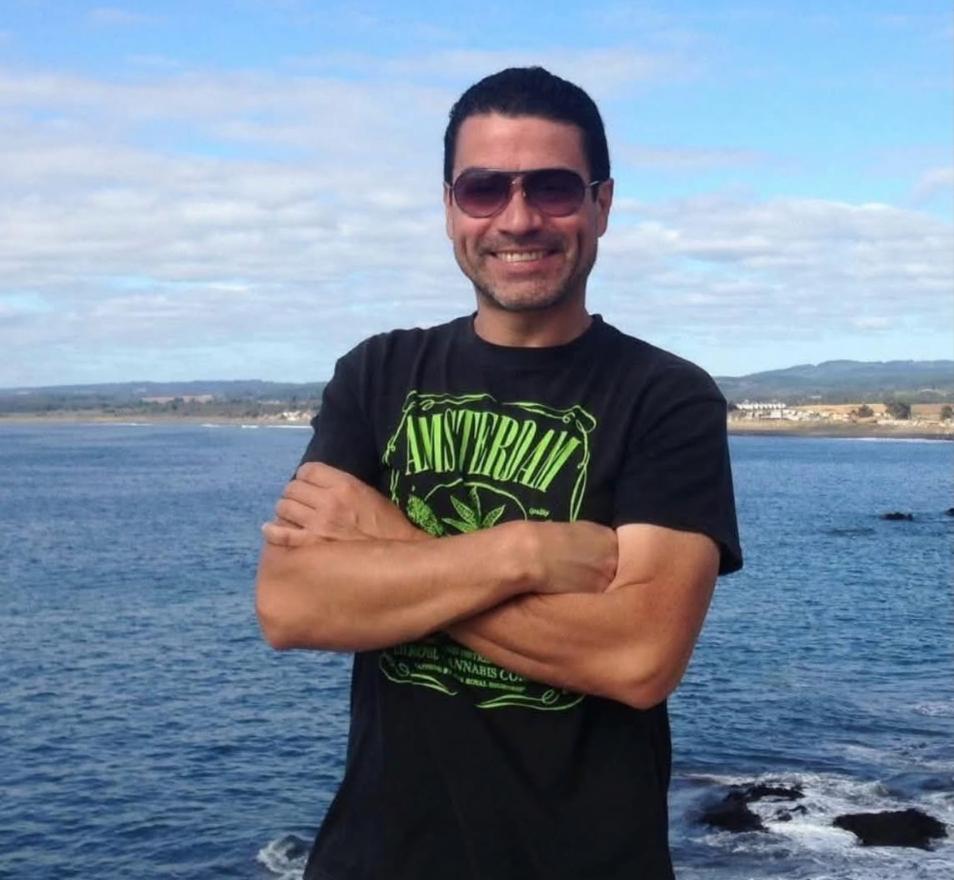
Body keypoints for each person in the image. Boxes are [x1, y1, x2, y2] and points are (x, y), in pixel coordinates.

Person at [255, 66, 742, 880]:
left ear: (602, 204)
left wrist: (390, 550)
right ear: (451, 207)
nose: (518, 219)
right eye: (484, 189)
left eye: (553, 187)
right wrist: (522, 554)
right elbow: (290, 604)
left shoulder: (665, 397)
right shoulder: (377, 373)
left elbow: (638, 657)